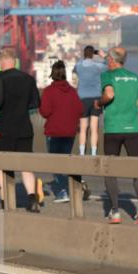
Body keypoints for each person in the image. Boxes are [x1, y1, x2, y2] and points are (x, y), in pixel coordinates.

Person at [97, 46, 138, 224]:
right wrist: (128, 99)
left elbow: (109, 95)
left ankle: (115, 212)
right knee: (137, 169)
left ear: (111, 60)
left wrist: (99, 102)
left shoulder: (107, 75)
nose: (106, 62)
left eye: (106, 60)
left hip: (113, 129)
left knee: (110, 170)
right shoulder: (135, 77)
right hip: (133, 129)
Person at [0, 47, 41, 213]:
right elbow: (35, 103)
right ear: (15, 62)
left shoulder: (0, 79)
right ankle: (32, 199)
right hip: (25, 126)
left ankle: (6, 202)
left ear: (3, 62)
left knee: (4, 166)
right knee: (26, 165)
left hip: (5, 128)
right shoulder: (28, 79)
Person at [39, 60, 83, 203]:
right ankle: (75, 186)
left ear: (52, 73)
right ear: (65, 74)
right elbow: (79, 110)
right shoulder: (72, 91)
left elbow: (45, 112)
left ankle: (63, 191)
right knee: (65, 160)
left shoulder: (49, 91)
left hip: (54, 131)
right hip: (69, 131)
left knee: (55, 162)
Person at [74, 45, 106, 158]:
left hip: (82, 98)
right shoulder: (99, 66)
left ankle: (82, 153)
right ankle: (93, 153)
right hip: (96, 99)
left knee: (83, 127)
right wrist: (102, 55)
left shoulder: (78, 66)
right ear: (93, 54)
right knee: (94, 127)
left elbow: (75, 68)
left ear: (84, 54)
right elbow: (109, 64)